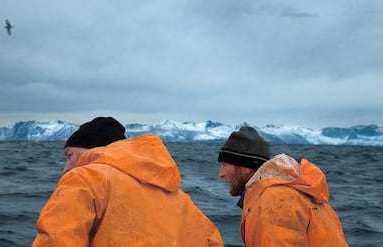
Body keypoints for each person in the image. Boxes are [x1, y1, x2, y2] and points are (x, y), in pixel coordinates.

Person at [33, 116, 223, 246]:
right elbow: (213, 241)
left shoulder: (84, 179)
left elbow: (56, 240)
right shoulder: (181, 199)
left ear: (92, 150)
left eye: (69, 155)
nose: (66, 167)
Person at [218, 126, 348, 247]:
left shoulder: (274, 201)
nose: (221, 174)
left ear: (245, 167)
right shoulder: (292, 192)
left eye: (225, 165)